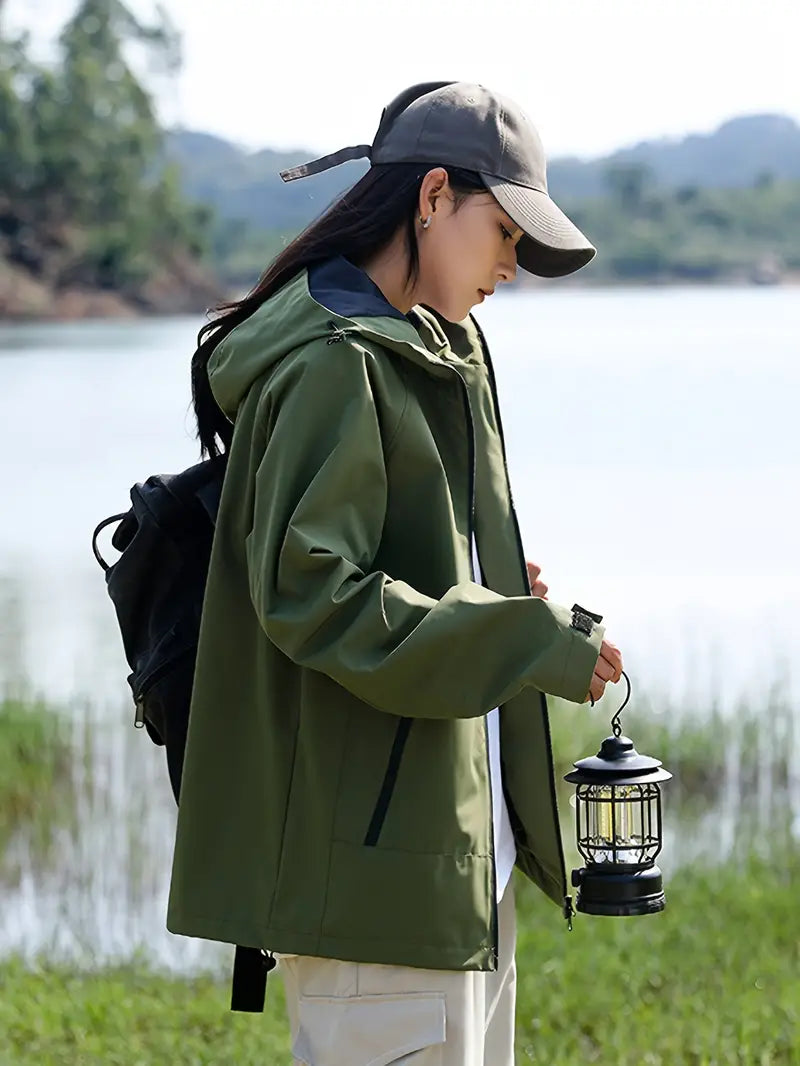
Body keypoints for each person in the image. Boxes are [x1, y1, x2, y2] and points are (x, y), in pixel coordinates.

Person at [167, 80, 623, 1066]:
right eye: (502, 231)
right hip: (375, 878)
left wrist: (483, 577)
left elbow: (396, 555)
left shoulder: (432, 340)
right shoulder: (337, 359)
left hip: (452, 859)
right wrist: (521, 636)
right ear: (429, 200)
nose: (511, 265)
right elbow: (311, 592)